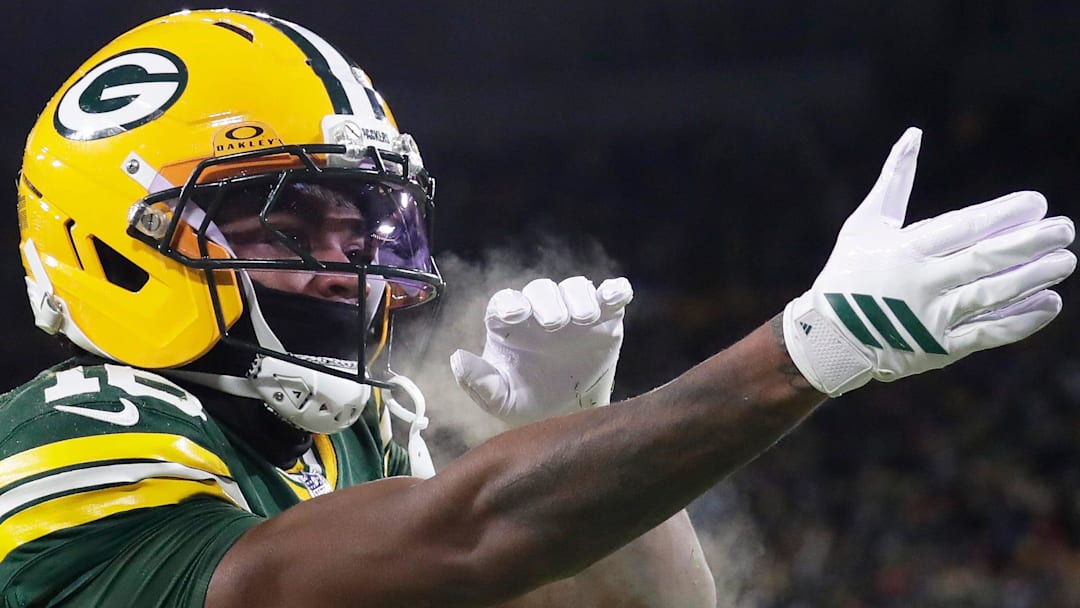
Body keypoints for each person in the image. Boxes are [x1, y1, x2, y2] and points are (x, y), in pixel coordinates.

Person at [0, 9, 1073, 608]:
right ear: (107, 245)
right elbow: (467, 539)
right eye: (280, 226)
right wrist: (805, 353)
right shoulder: (69, 442)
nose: (343, 267)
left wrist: (562, 430)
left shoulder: (349, 439)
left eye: (356, 223)